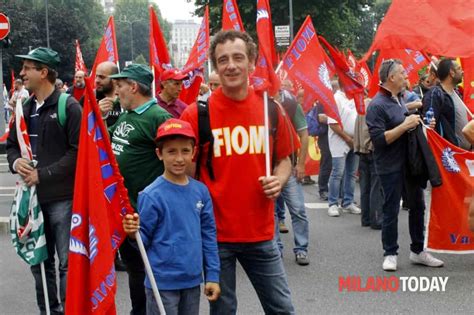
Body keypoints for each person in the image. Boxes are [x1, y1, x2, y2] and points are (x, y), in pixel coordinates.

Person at [180, 29, 296, 315]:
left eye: (238, 57)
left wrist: (278, 180)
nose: (230, 65)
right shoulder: (196, 114)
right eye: (223, 60)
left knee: (282, 309)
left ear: (251, 62)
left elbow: (286, 159)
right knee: (223, 312)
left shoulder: (271, 109)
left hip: (262, 233)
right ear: (215, 67)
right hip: (215, 236)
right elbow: (184, 174)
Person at [7, 47, 82, 314]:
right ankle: (49, 310)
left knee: (66, 264)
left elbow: (78, 152)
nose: (23, 73)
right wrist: (17, 163)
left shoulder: (69, 106)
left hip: (62, 200)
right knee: (39, 262)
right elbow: (12, 145)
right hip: (33, 200)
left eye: (28, 68)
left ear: (44, 72)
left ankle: (70, 309)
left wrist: (43, 173)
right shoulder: (24, 107)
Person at [123, 118, 220, 315]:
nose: (179, 158)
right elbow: (144, 241)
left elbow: (209, 236)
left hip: (192, 281)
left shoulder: (200, 191)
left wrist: (213, 275)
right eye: (171, 151)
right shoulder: (150, 195)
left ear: (193, 153)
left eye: (185, 151)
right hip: (161, 283)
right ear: (159, 154)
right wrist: (133, 234)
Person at [104, 64, 172, 315]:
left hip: (145, 213)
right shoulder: (127, 114)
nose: (116, 91)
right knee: (135, 269)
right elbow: (104, 139)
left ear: (133, 86)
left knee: (149, 271)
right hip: (125, 210)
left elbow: (176, 161)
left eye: (120, 86)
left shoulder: (159, 118)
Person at [366, 59, 444, 271]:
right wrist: (405, 124)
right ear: (391, 77)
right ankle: (390, 253)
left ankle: (418, 250)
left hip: (410, 165)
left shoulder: (398, 99)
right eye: (401, 72)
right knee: (390, 210)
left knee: (418, 206)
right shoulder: (376, 105)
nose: (405, 75)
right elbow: (379, 140)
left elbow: (407, 126)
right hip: (389, 166)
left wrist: (422, 125)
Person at [274, 86, 310, 266]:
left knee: (298, 210)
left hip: (288, 167)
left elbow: (304, 135)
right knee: (269, 214)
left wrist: (301, 164)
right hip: (266, 170)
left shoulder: (291, 105)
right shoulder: (258, 104)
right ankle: (275, 251)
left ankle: (302, 249)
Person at [327, 79, 361, 217]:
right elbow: (333, 124)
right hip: (339, 140)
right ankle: (333, 203)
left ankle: (348, 202)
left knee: (351, 173)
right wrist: (348, 139)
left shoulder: (355, 98)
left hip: (355, 141)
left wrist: (356, 139)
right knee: (337, 173)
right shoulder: (335, 99)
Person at [423, 58, 471, 150]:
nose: (462, 71)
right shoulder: (435, 94)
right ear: (451, 73)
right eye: (459, 68)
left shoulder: (456, 93)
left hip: (465, 154)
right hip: (452, 155)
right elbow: (430, 128)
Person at [354, 98, 383, 229]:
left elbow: (358, 129)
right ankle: (376, 219)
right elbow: (368, 131)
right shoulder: (373, 105)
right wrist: (371, 146)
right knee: (375, 187)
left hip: (361, 150)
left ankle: (366, 218)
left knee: (365, 186)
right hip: (371, 149)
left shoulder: (362, 104)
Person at [95, 61, 122, 127]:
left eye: (102, 77)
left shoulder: (125, 100)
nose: (97, 80)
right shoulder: (90, 98)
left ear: (114, 79)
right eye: (96, 76)